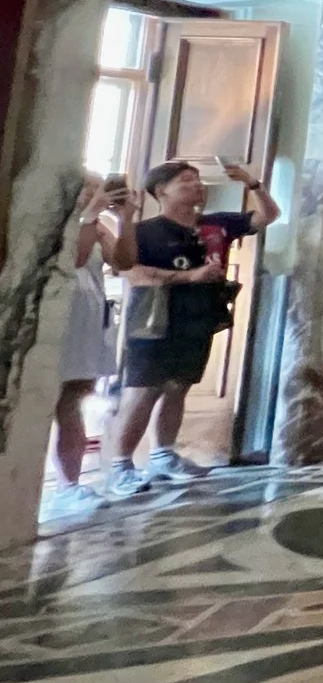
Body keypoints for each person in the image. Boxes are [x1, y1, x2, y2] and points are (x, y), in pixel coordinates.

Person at [110, 156, 279, 497]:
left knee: (178, 387)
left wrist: (252, 183)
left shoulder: (215, 225)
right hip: (155, 321)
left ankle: (163, 454)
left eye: (197, 179)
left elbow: (268, 216)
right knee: (143, 392)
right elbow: (131, 272)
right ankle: (120, 466)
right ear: (162, 191)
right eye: (185, 181)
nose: (196, 185)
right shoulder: (145, 231)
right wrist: (189, 276)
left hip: (199, 317)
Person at [46, 172, 132, 519]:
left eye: (100, 188)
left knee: (73, 400)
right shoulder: (57, 221)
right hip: (55, 317)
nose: (95, 193)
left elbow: (124, 262)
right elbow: (75, 259)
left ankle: (68, 485)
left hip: (86, 320)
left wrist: (126, 219)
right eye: (89, 188)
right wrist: (89, 215)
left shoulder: (97, 226)